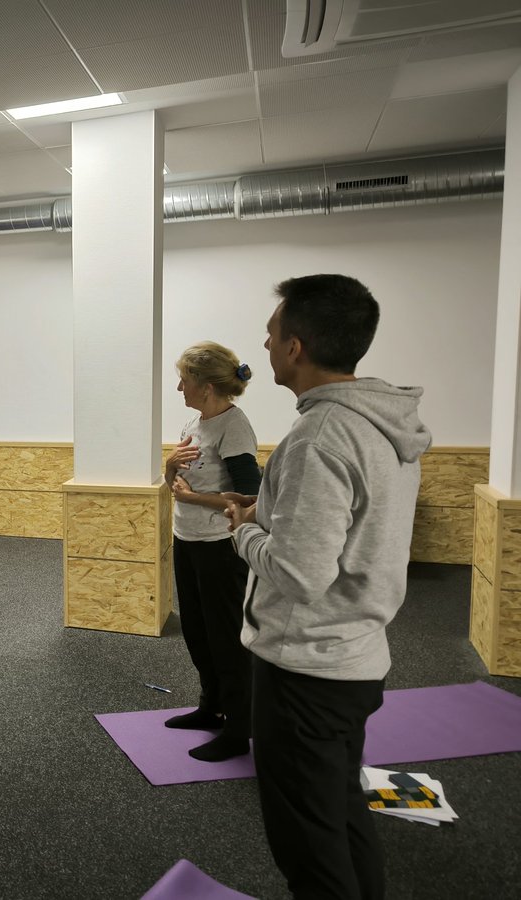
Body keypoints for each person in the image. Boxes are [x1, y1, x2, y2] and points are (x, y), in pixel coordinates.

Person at [225, 275, 430, 899]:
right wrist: (270, 515)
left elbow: (300, 574)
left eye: (271, 334)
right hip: (353, 659)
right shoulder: (378, 423)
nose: (265, 345)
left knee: (309, 851)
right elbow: (340, 533)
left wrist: (243, 530)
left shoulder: (320, 437)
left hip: (305, 671)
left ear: (296, 347)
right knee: (339, 814)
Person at [163, 342, 260, 762]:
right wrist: (170, 466)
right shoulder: (195, 421)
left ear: (205, 386)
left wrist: (193, 498)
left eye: (184, 379)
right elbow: (175, 482)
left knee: (226, 639)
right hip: (187, 540)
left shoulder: (233, 427)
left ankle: (238, 729)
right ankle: (211, 707)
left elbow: (250, 499)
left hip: (221, 546)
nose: (179, 387)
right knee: (198, 632)